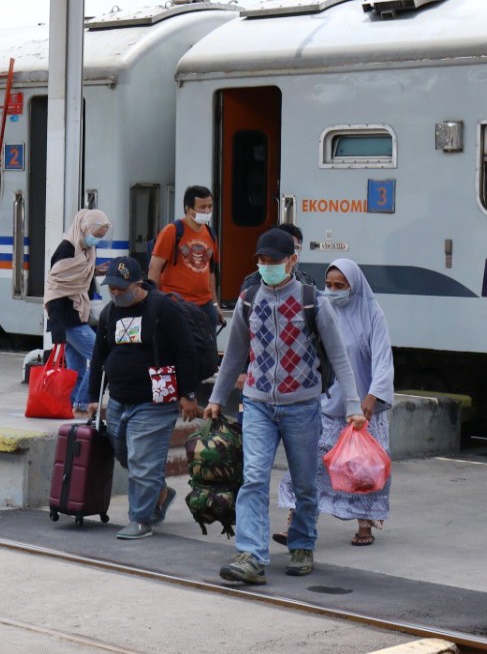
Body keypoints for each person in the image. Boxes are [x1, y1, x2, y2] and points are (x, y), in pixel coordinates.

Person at [205, 229, 366, 585]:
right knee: (254, 478)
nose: (266, 267)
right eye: (261, 261)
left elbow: (338, 356)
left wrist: (353, 405)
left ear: (291, 261)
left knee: (305, 483)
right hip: (258, 404)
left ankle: (303, 544)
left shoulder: (313, 300)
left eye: (273, 261)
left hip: (302, 406)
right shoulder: (249, 300)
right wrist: (216, 399)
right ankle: (251, 556)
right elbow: (233, 355)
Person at [276, 259, 394, 546]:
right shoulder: (322, 312)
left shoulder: (372, 315)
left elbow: (383, 360)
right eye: (328, 285)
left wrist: (371, 397)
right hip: (325, 403)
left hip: (362, 410)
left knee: (362, 468)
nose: (332, 291)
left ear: (353, 287)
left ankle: (365, 523)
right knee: (308, 462)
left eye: (340, 286)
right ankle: (296, 522)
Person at [86, 256, 200, 540]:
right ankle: (159, 492)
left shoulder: (162, 308)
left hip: (155, 400)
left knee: (142, 459)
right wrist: (92, 396)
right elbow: (99, 357)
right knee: (125, 454)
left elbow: (186, 352)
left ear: (137, 284)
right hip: (119, 398)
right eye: (110, 289)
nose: (115, 294)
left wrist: (188, 394)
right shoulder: (109, 314)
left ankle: (140, 519)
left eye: (120, 288)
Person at [44, 208, 112, 416]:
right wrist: (57, 329)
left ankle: (73, 404)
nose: (97, 240)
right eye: (96, 234)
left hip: (75, 316)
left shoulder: (83, 250)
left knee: (77, 368)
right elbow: (55, 286)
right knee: (102, 356)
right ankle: (84, 402)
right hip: (66, 320)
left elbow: (79, 274)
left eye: (101, 236)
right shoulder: (67, 248)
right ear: (85, 228)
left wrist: (95, 270)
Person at [148, 185, 224, 327]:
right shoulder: (172, 231)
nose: (207, 211)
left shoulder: (211, 234)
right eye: (202, 207)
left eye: (210, 206)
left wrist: (215, 304)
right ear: (188, 209)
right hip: (177, 304)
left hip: (205, 305)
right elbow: (154, 268)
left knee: (208, 348)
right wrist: (154, 304)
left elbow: (211, 272)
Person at [240, 223, 317, 292]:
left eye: (296, 248)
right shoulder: (252, 284)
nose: (292, 252)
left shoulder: (307, 281)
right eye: (286, 247)